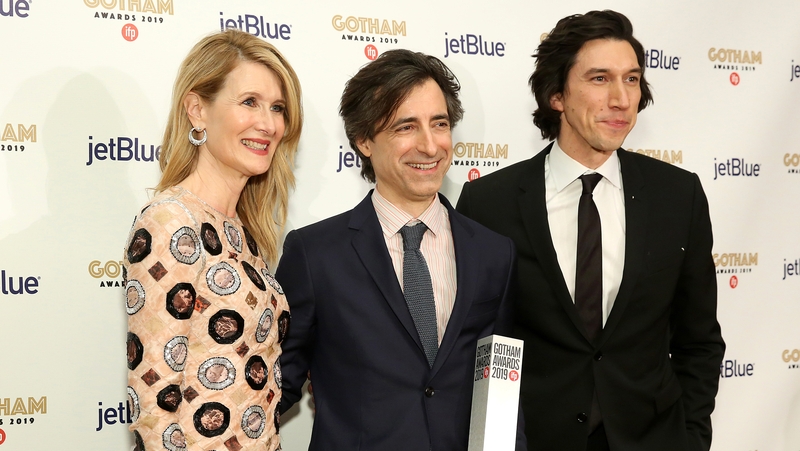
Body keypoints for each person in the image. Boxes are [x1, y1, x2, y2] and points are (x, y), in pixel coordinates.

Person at [457, 10, 725, 451]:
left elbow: (699, 340)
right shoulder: (489, 203)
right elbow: (477, 346)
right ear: (556, 95)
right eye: (600, 79)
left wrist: (691, 438)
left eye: (632, 79)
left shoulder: (678, 195)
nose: (621, 99)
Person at [277, 49, 526, 450]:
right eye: (405, 127)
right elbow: (273, 387)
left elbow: (498, 392)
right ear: (363, 140)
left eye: (440, 124)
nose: (429, 146)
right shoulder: (314, 255)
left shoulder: (494, 254)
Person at [123, 29, 302, 451]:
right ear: (197, 109)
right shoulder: (170, 222)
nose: (269, 124)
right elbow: (153, 403)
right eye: (249, 102)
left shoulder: (242, 231)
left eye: (277, 108)